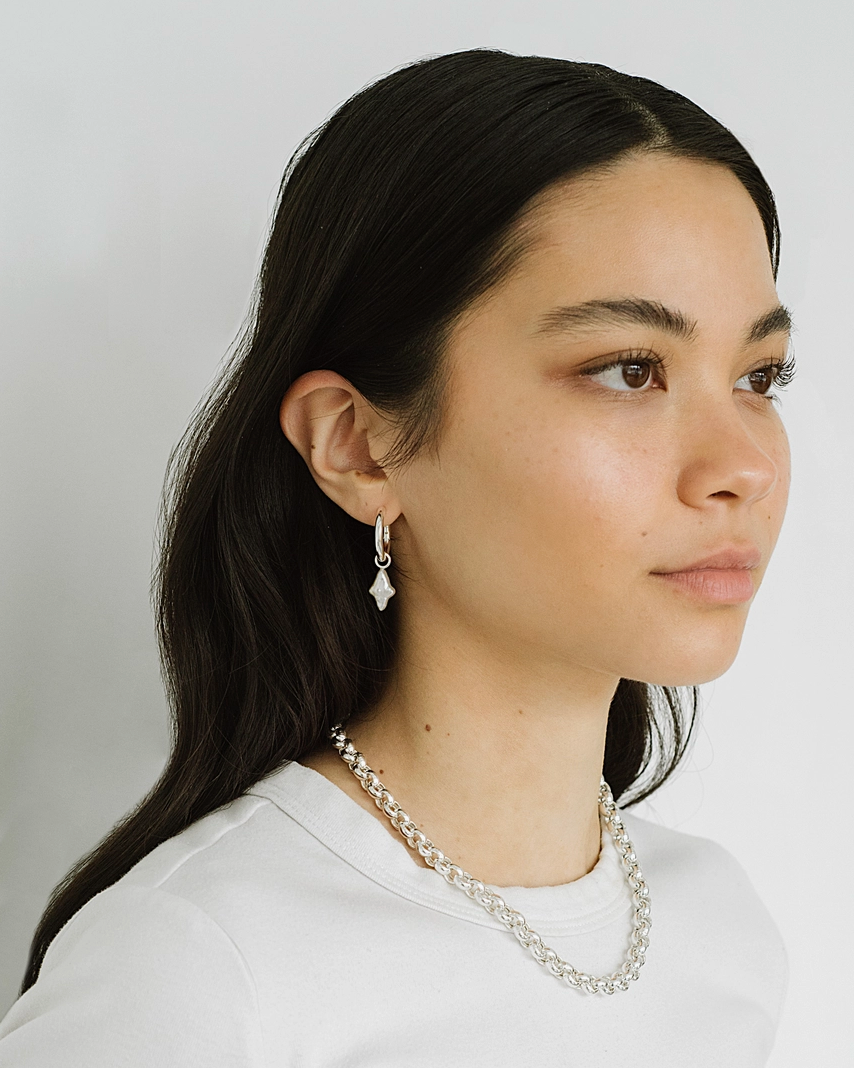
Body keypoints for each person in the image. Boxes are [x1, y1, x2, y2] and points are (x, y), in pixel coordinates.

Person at [0, 48, 793, 1066]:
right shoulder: (197, 973)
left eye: (759, 375)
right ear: (358, 445)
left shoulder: (717, 935)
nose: (740, 467)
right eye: (628, 369)